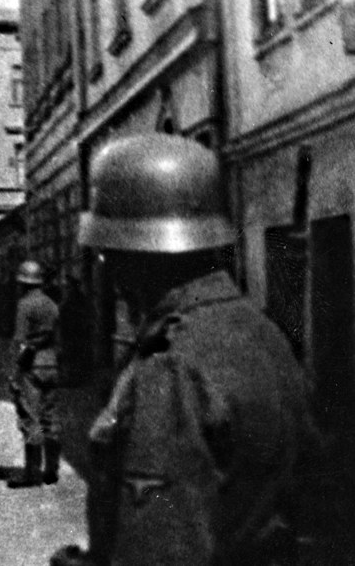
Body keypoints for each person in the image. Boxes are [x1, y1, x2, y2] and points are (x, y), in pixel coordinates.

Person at [50, 134, 317, 566]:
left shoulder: (170, 367)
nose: (107, 268)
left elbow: (158, 550)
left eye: (106, 252)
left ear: (131, 254)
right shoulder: (261, 332)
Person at [6, 259, 61, 489]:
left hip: (31, 367)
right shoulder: (51, 304)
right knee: (51, 420)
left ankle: (31, 473)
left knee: (31, 420)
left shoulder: (25, 304)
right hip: (51, 365)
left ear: (24, 282)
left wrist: (13, 373)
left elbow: (20, 341)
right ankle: (51, 470)